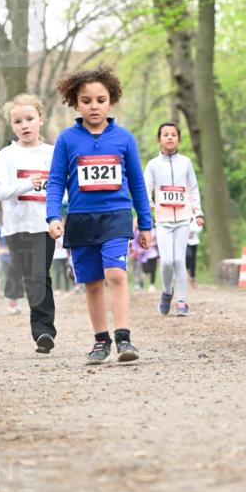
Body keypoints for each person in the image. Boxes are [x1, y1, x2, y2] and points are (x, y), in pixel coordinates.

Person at [46, 64, 152, 363]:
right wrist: (53, 215)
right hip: (80, 218)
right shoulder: (67, 140)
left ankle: (124, 338)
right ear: (75, 103)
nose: (94, 106)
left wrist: (145, 223)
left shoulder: (124, 138)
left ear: (111, 100)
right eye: (87, 100)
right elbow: (55, 180)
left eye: (101, 99)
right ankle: (100, 341)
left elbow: (137, 182)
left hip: (116, 214)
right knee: (92, 282)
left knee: (116, 274)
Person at [0, 93, 56, 354]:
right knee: (30, 278)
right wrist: (25, 184)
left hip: (45, 224)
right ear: (12, 126)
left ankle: (44, 331)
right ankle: (42, 327)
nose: (24, 125)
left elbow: (64, 188)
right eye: (18, 121)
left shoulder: (53, 153)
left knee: (39, 275)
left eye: (29, 119)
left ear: (40, 119)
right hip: (16, 227)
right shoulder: (7, 155)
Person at [144, 122, 203, 316]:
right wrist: (149, 202)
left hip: (184, 218)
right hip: (162, 220)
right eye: (165, 134)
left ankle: (182, 301)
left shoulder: (185, 162)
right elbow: (144, 187)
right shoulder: (153, 165)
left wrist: (198, 212)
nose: (169, 137)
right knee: (167, 261)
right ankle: (167, 292)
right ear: (159, 139)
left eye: (173, 135)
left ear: (178, 139)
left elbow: (193, 188)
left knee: (179, 259)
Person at [186, 215, 201, 288]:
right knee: (188, 256)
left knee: (193, 260)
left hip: (194, 241)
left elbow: (199, 228)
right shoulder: (183, 214)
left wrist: (191, 230)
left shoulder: (196, 216)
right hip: (184, 242)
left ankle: (193, 277)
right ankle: (186, 272)